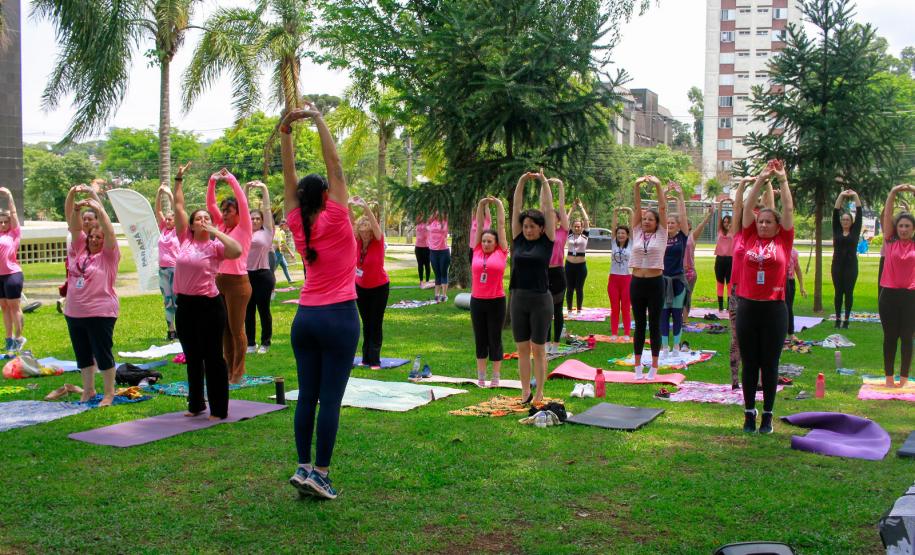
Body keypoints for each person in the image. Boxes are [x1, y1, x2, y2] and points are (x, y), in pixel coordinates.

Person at [281, 102, 359, 500]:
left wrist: (286, 133)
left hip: (305, 319)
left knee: (307, 395)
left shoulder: (297, 221)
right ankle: (322, 474)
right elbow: (336, 166)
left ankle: (302, 465)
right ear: (327, 193)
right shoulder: (337, 215)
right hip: (339, 317)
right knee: (330, 399)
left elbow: (288, 175)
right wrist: (319, 121)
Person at [172, 162, 242, 420]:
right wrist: (179, 178)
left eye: (206, 218)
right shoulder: (185, 240)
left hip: (209, 307)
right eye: (198, 218)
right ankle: (196, 405)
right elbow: (179, 207)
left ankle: (219, 409)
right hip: (185, 306)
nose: (202, 221)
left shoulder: (215, 246)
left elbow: (236, 251)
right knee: (192, 357)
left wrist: (216, 231)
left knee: (213, 358)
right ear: (190, 225)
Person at [736, 160, 794, 434]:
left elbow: (790, 209)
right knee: (750, 363)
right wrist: (759, 179)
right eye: (760, 221)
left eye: (769, 221)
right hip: (748, 307)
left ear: (777, 225)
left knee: (770, 365)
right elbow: (747, 208)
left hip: (774, 310)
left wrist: (782, 180)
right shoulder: (748, 236)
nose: (763, 225)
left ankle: (767, 416)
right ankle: (749, 414)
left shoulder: (784, 240)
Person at [63, 187, 120, 406]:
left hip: (100, 311)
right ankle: (88, 390)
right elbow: (74, 226)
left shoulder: (108, 255)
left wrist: (98, 207)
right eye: (92, 237)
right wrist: (73, 199)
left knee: (103, 354)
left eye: (99, 237)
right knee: (83, 355)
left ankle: (108, 393)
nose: (95, 240)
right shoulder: (80, 249)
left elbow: (109, 231)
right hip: (74, 312)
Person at [510, 170, 556, 404]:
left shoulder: (547, 242)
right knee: (522, 349)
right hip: (518, 299)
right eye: (525, 226)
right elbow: (516, 206)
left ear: (540, 228)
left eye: (532, 226)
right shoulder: (517, 239)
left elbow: (548, 209)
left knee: (538, 349)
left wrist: (543, 182)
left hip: (540, 300)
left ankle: (539, 392)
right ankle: (525, 391)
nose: (528, 230)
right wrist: (521, 182)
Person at [206, 168, 253, 384]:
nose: (224, 214)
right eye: (224, 211)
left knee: (236, 329)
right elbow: (211, 207)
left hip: (238, 284)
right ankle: (228, 369)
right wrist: (212, 182)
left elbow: (243, 202)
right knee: (223, 328)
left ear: (238, 213)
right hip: (220, 281)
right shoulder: (221, 226)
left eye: (229, 210)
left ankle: (238, 372)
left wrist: (231, 179)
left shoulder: (244, 227)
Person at [727, 177, 774, 390]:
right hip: (737, 291)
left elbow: (771, 209)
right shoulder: (738, 235)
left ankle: (761, 380)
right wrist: (743, 185)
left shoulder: (763, 240)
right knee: (737, 337)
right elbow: (738, 207)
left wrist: (769, 183)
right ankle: (736, 380)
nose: (758, 222)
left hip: (758, 292)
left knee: (762, 337)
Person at [630, 175, 667, 379]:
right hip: (636, 282)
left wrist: (658, 185)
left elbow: (662, 208)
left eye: (650, 219)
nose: (646, 221)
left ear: (657, 222)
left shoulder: (661, 234)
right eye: (644, 219)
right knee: (639, 325)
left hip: (655, 283)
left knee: (654, 323)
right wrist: (636, 186)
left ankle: (654, 365)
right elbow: (637, 207)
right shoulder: (636, 232)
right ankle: (637, 366)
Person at [879, 184, 915, 388]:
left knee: (907, 337)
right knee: (890, 336)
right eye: (900, 226)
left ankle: (904, 378)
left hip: (911, 296)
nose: (902, 229)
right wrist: (892, 192)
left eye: (907, 226)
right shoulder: (889, 240)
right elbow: (887, 216)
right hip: (889, 296)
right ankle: (889, 377)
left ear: (913, 229)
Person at [470, 196, 508, 387]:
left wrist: (498, 205)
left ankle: (496, 376)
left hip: (496, 302)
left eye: (489, 241)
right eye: (484, 241)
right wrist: (481, 205)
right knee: (480, 338)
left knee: (495, 338)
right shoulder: (476, 250)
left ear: (496, 243)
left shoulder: (501, 252)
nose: (485, 244)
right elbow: (477, 226)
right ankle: (481, 376)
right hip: (477, 301)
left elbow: (501, 226)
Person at [352, 196, 389, 369]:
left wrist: (365, 206)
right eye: (362, 231)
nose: (365, 234)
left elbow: (375, 224)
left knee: (376, 322)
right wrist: (347, 205)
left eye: (368, 232)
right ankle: (365, 358)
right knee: (366, 322)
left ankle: (375, 359)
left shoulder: (378, 242)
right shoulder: (357, 242)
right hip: (361, 288)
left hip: (379, 288)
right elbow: (349, 221)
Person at [57, 185, 102, 313]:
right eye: (84, 219)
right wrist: (71, 193)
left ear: (96, 221)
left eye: (90, 219)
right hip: (76, 278)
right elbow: (69, 213)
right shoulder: (77, 235)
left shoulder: (99, 236)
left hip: (94, 280)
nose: (86, 221)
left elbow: (101, 211)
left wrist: (92, 192)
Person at [245, 181, 276, 354]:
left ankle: (265, 342)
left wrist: (264, 188)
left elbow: (266, 208)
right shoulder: (244, 231)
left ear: (262, 221)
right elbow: (242, 208)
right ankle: (250, 343)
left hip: (263, 275)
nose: (255, 220)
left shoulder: (267, 232)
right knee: (248, 311)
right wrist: (247, 188)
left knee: (263, 310)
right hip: (246, 275)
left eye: (258, 218)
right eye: (252, 218)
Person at [660, 183, 690, 354]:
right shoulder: (661, 236)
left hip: (678, 281)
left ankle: (677, 345)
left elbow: (683, 215)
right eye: (668, 222)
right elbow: (662, 211)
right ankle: (665, 347)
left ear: (679, 226)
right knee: (664, 315)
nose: (670, 224)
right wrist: (663, 194)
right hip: (663, 281)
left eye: (673, 222)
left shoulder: (682, 237)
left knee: (677, 314)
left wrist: (680, 196)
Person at [831, 188, 863, 328]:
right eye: (843, 219)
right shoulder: (837, 229)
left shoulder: (855, 231)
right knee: (838, 293)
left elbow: (859, 212)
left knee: (848, 293)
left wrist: (855, 195)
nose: (844, 221)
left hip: (851, 267)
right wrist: (841, 195)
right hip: (837, 266)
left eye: (847, 219)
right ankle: (838, 319)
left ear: (851, 221)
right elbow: (835, 211)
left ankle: (847, 320)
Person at [546, 178, 569, 355]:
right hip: (543, 273)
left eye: (554, 217)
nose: (550, 219)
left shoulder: (562, 232)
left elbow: (561, 207)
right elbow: (543, 204)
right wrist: (544, 184)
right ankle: (546, 343)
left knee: (557, 311)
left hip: (558, 272)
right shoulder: (542, 233)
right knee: (545, 311)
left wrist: (560, 186)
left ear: (559, 220)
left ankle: (555, 344)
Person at [0, 188, 24, 352]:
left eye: (5, 222)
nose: (3, 224)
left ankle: (19, 337)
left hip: (12, 275)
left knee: (14, 307)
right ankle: (9, 340)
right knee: (4, 307)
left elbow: (14, 213)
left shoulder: (14, 233)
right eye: (0, 222)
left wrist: (9, 195)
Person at [154, 184, 179, 341]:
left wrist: (170, 194)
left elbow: (178, 209)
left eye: (170, 219)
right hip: (163, 270)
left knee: (178, 301)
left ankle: (182, 328)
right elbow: (158, 211)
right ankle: (171, 330)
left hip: (176, 269)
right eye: (167, 219)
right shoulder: (164, 229)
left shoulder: (179, 231)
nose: (167, 221)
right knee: (167, 301)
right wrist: (158, 193)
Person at [683, 203, 715, 321]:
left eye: (686, 224)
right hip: (675, 272)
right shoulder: (672, 236)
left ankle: (684, 319)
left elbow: (703, 224)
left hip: (690, 273)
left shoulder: (692, 236)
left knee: (687, 296)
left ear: (690, 226)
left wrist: (710, 214)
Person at [608, 207, 633, 341]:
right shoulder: (613, 243)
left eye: (623, 233)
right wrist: (615, 213)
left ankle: (627, 334)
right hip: (613, 279)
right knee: (614, 308)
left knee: (626, 308)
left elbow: (633, 226)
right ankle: (614, 333)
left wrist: (629, 211)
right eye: (619, 233)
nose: (620, 235)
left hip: (627, 279)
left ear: (627, 235)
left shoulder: (631, 244)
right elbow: (613, 227)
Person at [565, 198, 590, 313]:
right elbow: (567, 220)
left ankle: (579, 310)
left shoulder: (585, 235)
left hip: (581, 266)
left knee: (579, 289)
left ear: (582, 227)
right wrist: (572, 208)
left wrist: (581, 207)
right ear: (572, 227)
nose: (577, 228)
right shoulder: (569, 234)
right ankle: (569, 309)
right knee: (569, 289)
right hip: (569, 265)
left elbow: (586, 219)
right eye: (575, 226)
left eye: (579, 226)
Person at [714, 207, 735, 312]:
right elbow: (718, 218)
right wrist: (721, 204)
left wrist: (733, 204)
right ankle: (720, 307)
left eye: (728, 222)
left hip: (731, 260)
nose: (726, 223)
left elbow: (736, 216)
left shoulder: (734, 231)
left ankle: (729, 307)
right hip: (720, 260)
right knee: (720, 283)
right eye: (724, 222)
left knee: (730, 284)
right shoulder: (720, 231)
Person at [427, 213, 450, 302]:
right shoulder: (431, 223)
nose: (437, 212)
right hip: (433, 252)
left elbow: (446, 216)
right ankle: (436, 295)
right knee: (437, 274)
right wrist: (433, 214)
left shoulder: (445, 222)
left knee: (443, 273)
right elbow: (428, 220)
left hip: (443, 251)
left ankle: (444, 295)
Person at [785, 247, 807, 340]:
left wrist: (802, 287)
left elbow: (797, 269)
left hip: (790, 282)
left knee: (789, 307)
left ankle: (791, 333)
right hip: (779, 282)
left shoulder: (793, 252)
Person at [273, 219, 294, 284]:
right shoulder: (282, 232)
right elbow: (284, 244)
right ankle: (269, 282)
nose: (288, 226)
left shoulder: (277, 230)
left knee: (285, 266)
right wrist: (291, 253)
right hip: (278, 253)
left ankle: (290, 280)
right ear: (283, 225)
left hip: (279, 252)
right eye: (286, 225)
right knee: (272, 269)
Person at [414, 216, 432, 287]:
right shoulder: (418, 223)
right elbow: (417, 219)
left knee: (427, 265)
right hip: (418, 247)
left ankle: (427, 281)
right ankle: (421, 281)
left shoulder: (428, 223)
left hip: (427, 247)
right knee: (420, 265)